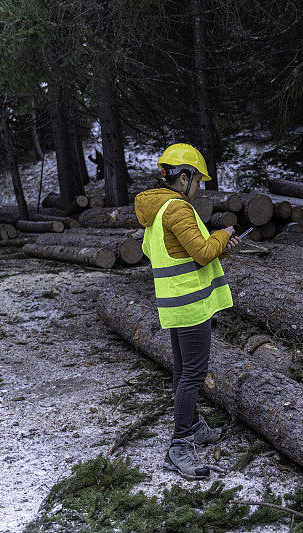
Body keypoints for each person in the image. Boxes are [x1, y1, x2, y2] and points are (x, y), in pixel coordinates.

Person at [134, 143, 241, 479]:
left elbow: (176, 255)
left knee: (183, 372)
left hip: (175, 303)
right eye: (198, 182)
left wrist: (217, 246)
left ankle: (192, 425)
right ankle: (180, 444)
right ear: (183, 178)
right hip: (191, 305)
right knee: (193, 374)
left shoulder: (158, 210)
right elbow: (201, 252)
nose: (199, 189)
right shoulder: (177, 209)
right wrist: (222, 236)